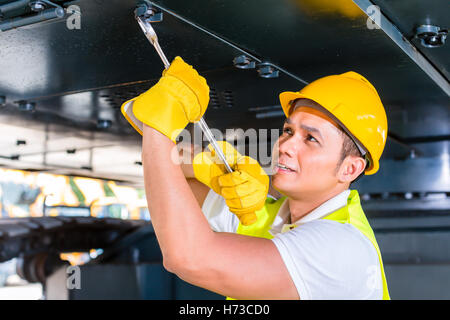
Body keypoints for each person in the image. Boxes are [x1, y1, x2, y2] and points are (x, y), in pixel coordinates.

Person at [121, 56, 390, 299]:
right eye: (288, 131)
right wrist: (209, 167)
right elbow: (173, 179)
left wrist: (157, 126)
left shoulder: (341, 246)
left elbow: (189, 257)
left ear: (350, 169)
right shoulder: (270, 218)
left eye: (310, 138)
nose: (285, 146)